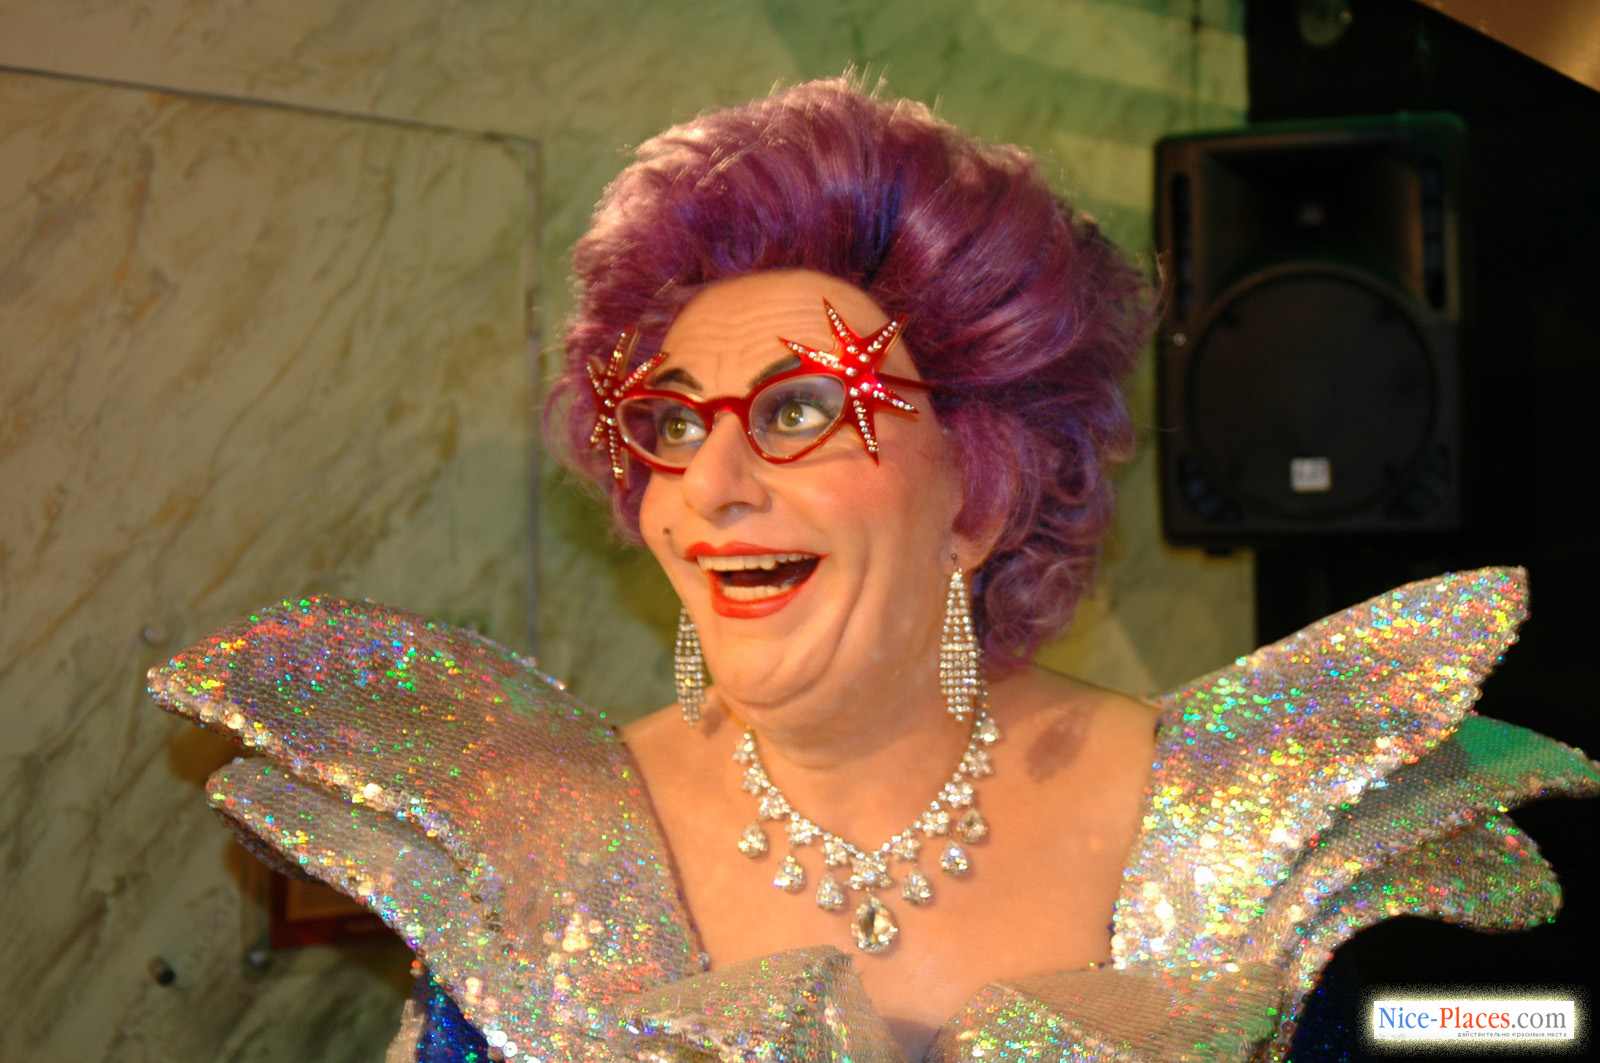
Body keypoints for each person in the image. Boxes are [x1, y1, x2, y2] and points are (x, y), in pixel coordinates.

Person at [150, 79, 1597, 1063]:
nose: (710, 485)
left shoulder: (1230, 829)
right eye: (669, 424)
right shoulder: (533, 847)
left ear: (979, 484)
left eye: (797, 410)